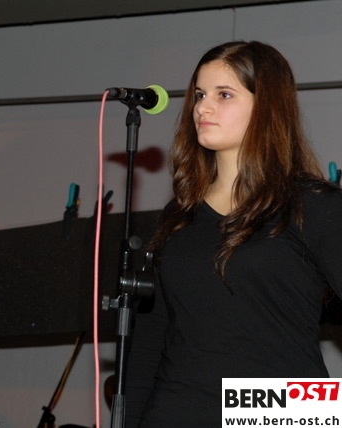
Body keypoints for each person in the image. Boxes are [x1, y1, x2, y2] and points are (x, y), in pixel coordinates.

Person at [136, 41, 342, 427]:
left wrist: (325, 410)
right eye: (200, 94)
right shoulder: (178, 216)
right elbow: (150, 338)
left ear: (267, 106)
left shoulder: (314, 206)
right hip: (178, 411)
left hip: (277, 414)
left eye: (224, 94)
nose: (203, 107)